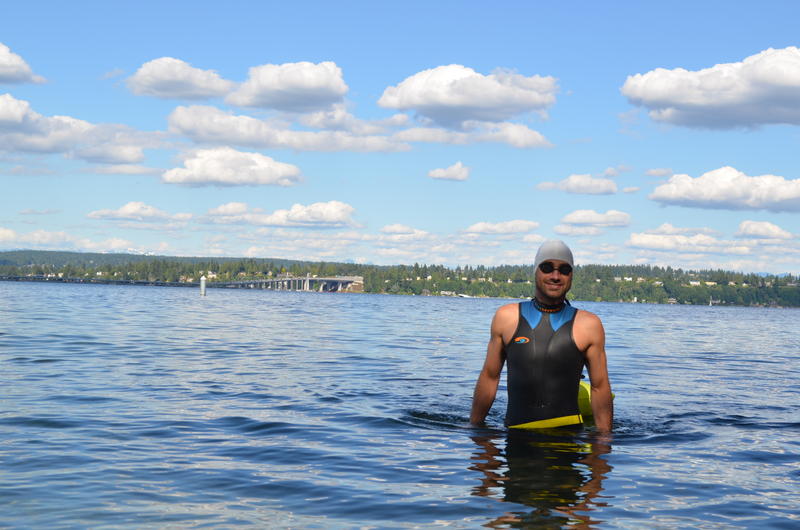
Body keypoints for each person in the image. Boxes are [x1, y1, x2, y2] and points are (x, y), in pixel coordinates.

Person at [470, 240, 613, 432]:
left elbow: (600, 387)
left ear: (571, 276)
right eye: (547, 267)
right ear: (535, 271)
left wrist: (604, 442)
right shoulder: (507, 317)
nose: (555, 276)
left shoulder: (589, 324)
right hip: (516, 436)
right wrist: (475, 429)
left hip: (567, 438)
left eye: (564, 269)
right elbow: (489, 377)